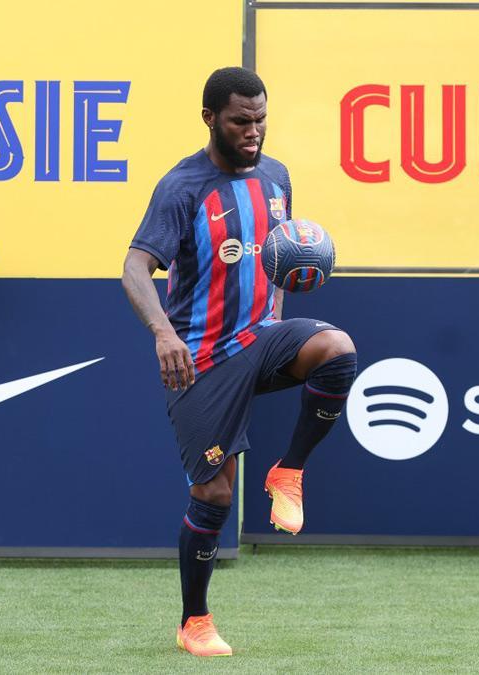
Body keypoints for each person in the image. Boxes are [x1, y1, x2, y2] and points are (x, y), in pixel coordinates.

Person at [121, 67, 358, 658]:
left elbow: (273, 255)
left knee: (337, 351)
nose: (253, 131)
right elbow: (133, 268)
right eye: (240, 121)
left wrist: (291, 277)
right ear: (210, 119)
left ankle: (289, 471)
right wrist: (162, 334)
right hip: (197, 360)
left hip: (262, 339)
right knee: (216, 497)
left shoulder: (276, 176)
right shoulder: (182, 187)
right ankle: (194, 620)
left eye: (261, 120)